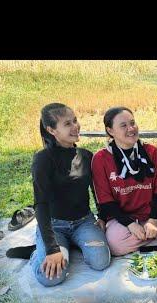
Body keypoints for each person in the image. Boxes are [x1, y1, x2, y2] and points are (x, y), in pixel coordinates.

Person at [91, 107, 157, 256]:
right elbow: (105, 200)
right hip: (122, 216)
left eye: (133, 123)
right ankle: (156, 233)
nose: (131, 128)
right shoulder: (101, 159)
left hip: (153, 212)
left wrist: (153, 220)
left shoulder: (151, 152)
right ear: (110, 131)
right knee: (115, 247)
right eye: (123, 125)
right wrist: (130, 224)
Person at [30, 103, 111, 287]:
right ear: (51, 130)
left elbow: (97, 190)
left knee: (100, 261)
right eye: (67, 124)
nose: (75, 126)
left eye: (75, 120)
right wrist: (51, 249)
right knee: (51, 278)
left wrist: (102, 216)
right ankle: (37, 252)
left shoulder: (86, 156)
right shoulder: (43, 160)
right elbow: (40, 204)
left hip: (84, 222)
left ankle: (70, 244)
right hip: (54, 225)